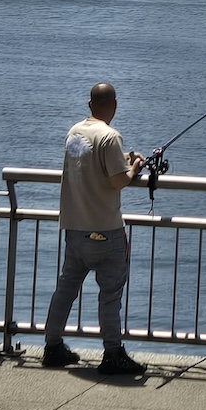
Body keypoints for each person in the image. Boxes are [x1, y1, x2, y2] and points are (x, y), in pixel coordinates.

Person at [40, 82, 147, 375]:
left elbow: (92, 165)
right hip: (105, 231)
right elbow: (117, 181)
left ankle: (52, 346)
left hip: (75, 228)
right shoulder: (110, 136)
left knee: (65, 290)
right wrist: (134, 168)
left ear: (90, 105)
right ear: (115, 105)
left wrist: (124, 161)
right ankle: (112, 354)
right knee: (110, 295)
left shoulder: (74, 133)